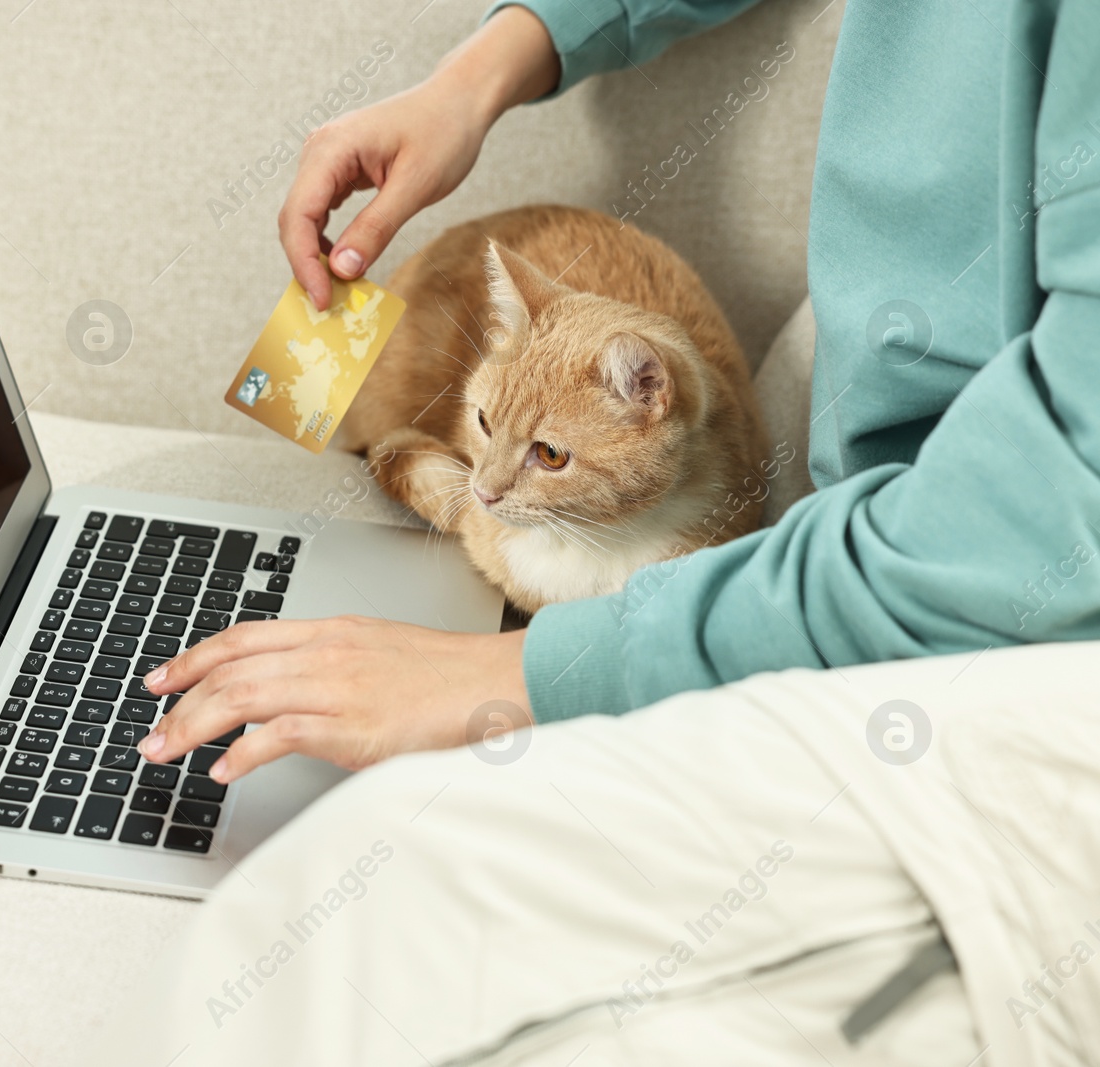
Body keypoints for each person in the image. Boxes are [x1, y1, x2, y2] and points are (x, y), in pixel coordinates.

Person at [94, 1, 1100, 1063]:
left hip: (1009, 681)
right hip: (873, 572)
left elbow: (1026, 534)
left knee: (307, 950)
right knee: (283, 929)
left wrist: (515, 673)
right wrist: (482, 71)